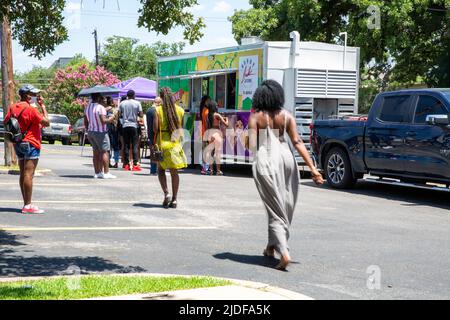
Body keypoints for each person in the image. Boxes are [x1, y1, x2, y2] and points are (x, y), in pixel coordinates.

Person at [249, 80, 324, 271]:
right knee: (283, 204)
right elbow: (298, 142)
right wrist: (313, 169)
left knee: (274, 208)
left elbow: (251, 145)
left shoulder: (256, 117)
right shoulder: (287, 116)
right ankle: (270, 247)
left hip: (267, 159)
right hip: (286, 158)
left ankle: (284, 253)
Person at [4, 85, 50, 214]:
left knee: (23, 172)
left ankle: (26, 203)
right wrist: (43, 107)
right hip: (31, 142)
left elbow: (6, 122)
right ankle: (28, 205)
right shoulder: (31, 109)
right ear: (26, 95)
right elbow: (46, 122)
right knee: (29, 174)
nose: (34, 96)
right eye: (32, 94)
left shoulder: (13, 107)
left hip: (18, 142)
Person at [154, 87, 188, 209]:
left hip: (162, 144)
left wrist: (153, 144)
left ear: (161, 97)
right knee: (174, 172)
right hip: (174, 144)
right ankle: (174, 199)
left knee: (161, 170)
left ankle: (166, 193)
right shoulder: (180, 110)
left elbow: (155, 129)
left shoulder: (158, 110)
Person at [84, 93, 117, 179]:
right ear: (98, 98)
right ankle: (106, 172)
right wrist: (112, 117)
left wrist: (88, 129)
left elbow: (85, 121)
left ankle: (97, 172)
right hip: (100, 132)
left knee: (96, 152)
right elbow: (104, 121)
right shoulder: (100, 107)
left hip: (91, 131)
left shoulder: (88, 107)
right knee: (104, 151)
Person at [119, 90, 143, 171]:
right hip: (134, 126)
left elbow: (119, 114)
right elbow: (141, 114)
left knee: (126, 145)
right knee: (135, 145)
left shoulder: (122, 103)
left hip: (125, 125)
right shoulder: (137, 103)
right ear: (134, 95)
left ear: (127, 95)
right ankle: (135, 164)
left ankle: (126, 164)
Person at [206, 100, 229, 176]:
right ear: (215, 107)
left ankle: (211, 170)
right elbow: (226, 125)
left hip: (210, 133)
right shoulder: (217, 115)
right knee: (218, 153)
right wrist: (226, 119)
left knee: (210, 153)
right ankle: (218, 171)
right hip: (217, 134)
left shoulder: (208, 115)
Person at [146, 97, 162, 175]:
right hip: (155, 134)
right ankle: (156, 170)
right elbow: (155, 127)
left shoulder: (148, 110)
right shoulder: (155, 110)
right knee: (157, 152)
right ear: (159, 103)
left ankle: (152, 170)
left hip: (150, 133)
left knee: (153, 152)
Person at [105, 96, 120, 168]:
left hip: (106, 128)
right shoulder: (115, 110)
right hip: (114, 128)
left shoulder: (104, 110)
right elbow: (117, 118)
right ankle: (116, 162)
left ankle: (108, 162)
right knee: (115, 146)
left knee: (108, 146)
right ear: (111, 102)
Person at [199, 95, 211, 175]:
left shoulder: (203, 109)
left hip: (203, 132)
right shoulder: (206, 110)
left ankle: (204, 168)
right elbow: (206, 122)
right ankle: (205, 168)